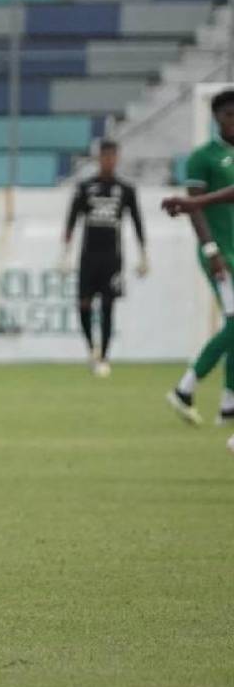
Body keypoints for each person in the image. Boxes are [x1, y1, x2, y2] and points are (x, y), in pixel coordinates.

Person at [161, 89, 234, 431]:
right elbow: (197, 208)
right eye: (230, 114)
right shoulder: (203, 157)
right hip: (221, 253)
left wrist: (194, 203)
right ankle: (186, 387)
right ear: (217, 118)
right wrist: (210, 249)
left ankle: (229, 402)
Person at [61, 138, 147, 377]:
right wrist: (64, 253)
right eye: (105, 156)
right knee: (84, 304)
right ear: (99, 158)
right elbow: (72, 218)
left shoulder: (126, 190)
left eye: (112, 156)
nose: (109, 161)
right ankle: (92, 348)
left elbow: (137, 222)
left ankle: (105, 356)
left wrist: (144, 255)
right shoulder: (85, 187)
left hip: (112, 257)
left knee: (108, 306)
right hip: (88, 256)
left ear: (117, 158)